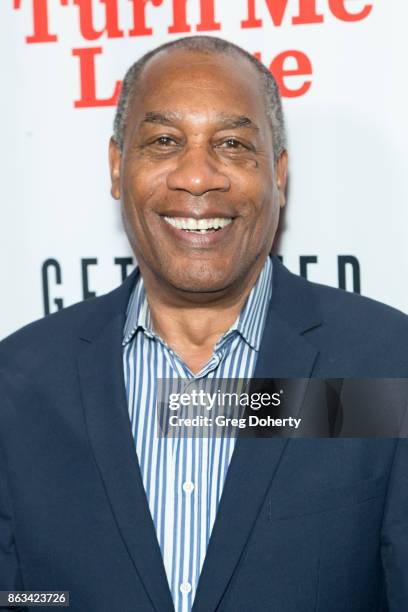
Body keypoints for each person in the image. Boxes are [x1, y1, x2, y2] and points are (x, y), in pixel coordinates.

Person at [0, 36, 407, 612]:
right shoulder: (18, 386)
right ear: (117, 166)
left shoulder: (386, 367)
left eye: (234, 144)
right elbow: (23, 597)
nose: (197, 177)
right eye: (165, 141)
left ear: (278, 175)